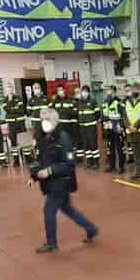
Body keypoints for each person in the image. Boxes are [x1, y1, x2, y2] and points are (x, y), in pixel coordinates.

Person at [31, 107, 98, 254]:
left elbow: (68, 164)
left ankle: (51, 244)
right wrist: (34, 175)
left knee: (49, 210)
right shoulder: (43, 138)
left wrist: (49, 171)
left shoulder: (63, 138)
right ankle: (91, 229)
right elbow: (41, 159)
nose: (44, 122)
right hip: (51, 182)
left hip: (61, 181)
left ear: (54, 121)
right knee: (68, 209)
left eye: (47, 119)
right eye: (42, 119)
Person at [102, 85, 126, 173]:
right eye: (107, 91)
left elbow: (121, 115)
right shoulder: (104, 102)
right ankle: (112, 166)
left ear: (114, 92)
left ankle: (121, 167)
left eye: (110, 91)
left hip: (117, 127)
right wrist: (104, 119)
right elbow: (103, 114)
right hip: (108, 128)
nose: (108, 93)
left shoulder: (118, 102)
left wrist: (109, 117)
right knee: (110, 148)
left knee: (120, 148)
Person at [76, 85, 101, 169]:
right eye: (83, 91)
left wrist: (93, 120)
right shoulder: (80, 101)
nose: (84, 93)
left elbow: (97, 113)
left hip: (91, 126)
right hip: (83, 127)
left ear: (88, 92)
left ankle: (96, 162)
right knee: (86, 145)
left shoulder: (93, 101)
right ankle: (89, 161)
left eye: (85, 91)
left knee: (93, 144)